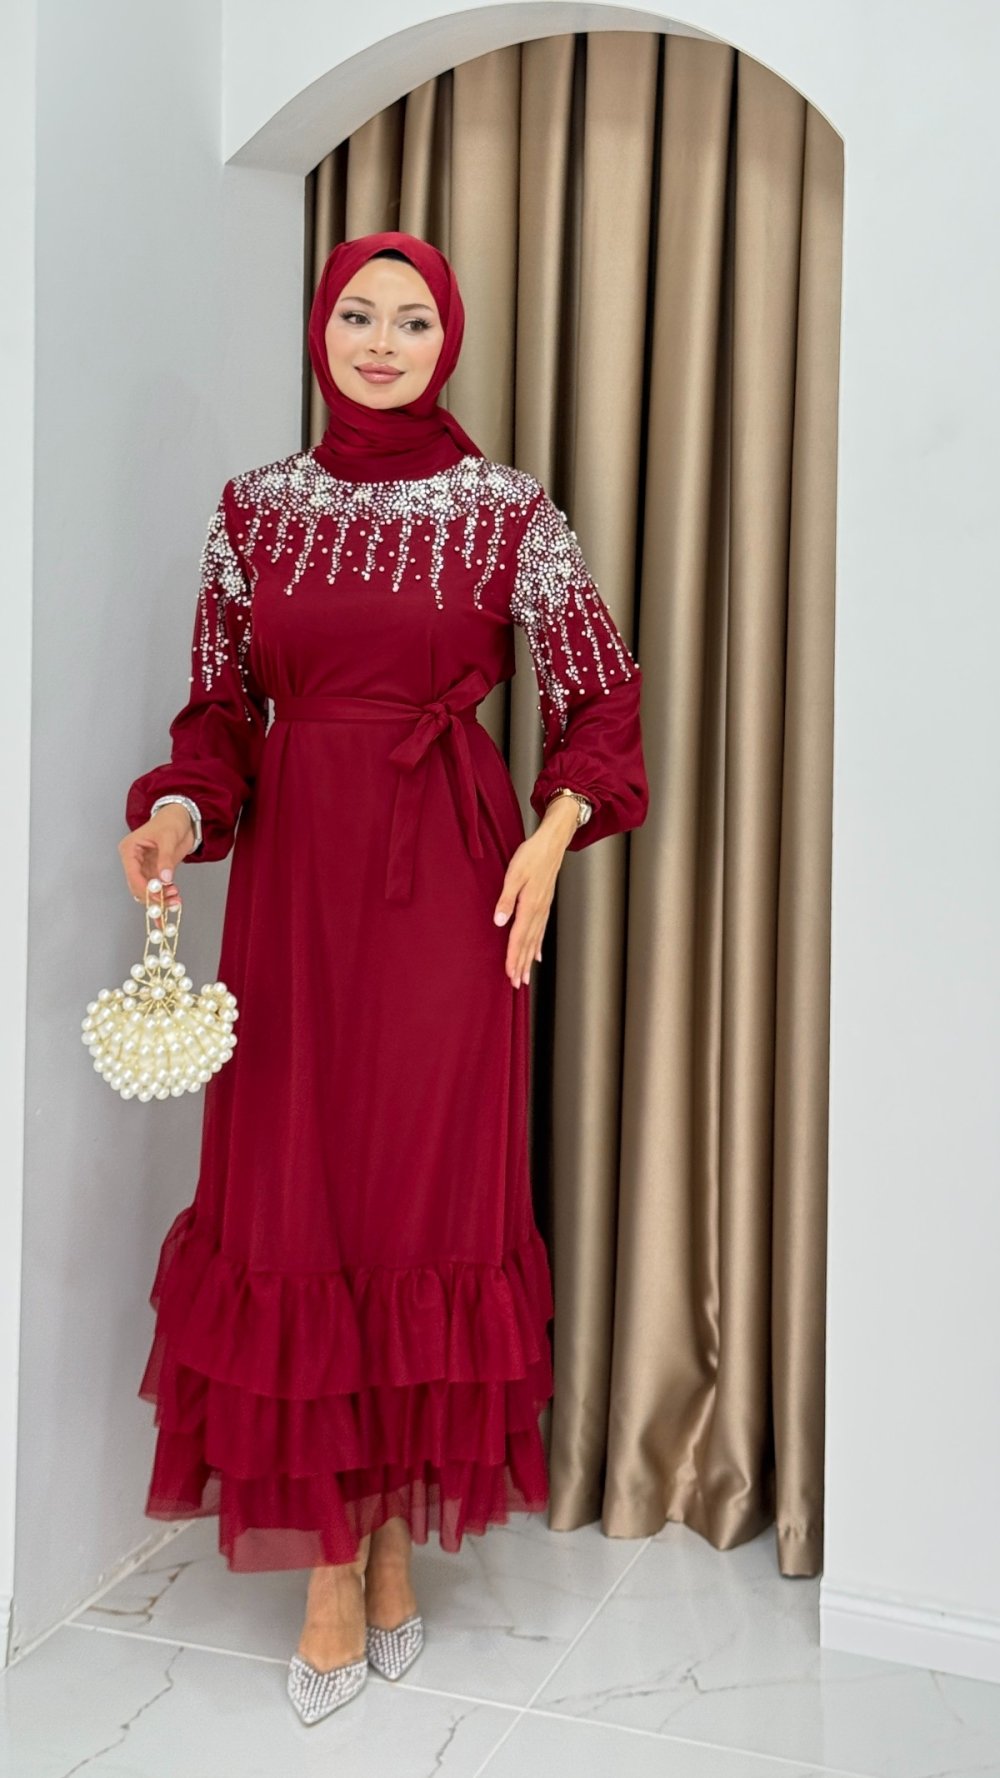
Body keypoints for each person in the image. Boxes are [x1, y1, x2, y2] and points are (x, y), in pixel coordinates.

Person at [119, 229, 649, 1725]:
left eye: (412, 320)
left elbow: (602, 697)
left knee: (421, 1202)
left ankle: (394, 1531)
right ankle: (333, 1567)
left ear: (447, 340)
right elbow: (218, 712)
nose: (380, 340)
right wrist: (178, 814)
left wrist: (554, 829)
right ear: (322, 330)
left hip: (454, 891)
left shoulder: (509, 512)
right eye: (356, 313)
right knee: (299, 1199)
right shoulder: (254, 512)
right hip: (294, 889)